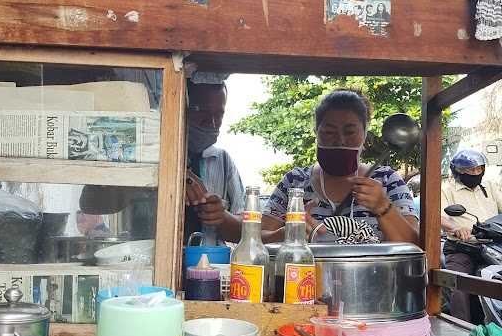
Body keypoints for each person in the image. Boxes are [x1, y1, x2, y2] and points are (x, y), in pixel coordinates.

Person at [80, 74, 244, 244]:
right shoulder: (140, 154)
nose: (211, 122)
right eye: (201, 112)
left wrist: (221, 217)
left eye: (219, 114)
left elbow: (246, 231)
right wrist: (162, 175)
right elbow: (90, 204)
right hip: (147, 261)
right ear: (180, 108)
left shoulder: (222, 162)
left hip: (206, 265)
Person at [261, 88, 419, 244]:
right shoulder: (294, 182)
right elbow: (259, 239)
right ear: (316, 132)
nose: (340, 140)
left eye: (350, 132)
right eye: (329, 132)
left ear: (364, 134)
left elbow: (414, 246)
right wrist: (288, 234)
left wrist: (383, 207)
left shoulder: (387, 180)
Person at [441, 149, 502, 323]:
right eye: (470, 170)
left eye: (478, 169)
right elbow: (437, 214)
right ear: (458, 171)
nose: (475, 173)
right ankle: (461, 327)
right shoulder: (447, 189)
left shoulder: (489, 186)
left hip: (492, 245)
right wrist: (456, 228)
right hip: (463, 247)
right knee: (458, 284)